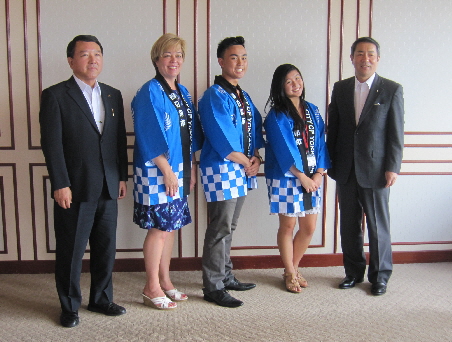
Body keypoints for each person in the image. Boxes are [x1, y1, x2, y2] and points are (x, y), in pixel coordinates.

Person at [39, 35, 128, 328]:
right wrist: (60, 183)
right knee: (71, 250)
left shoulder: (113, 94)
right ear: (71, 60)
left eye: (98, 54)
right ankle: (69, 306)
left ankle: (101, 298)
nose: (93, 60)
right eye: (85, 54)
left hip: (108, 185)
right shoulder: (55, 95)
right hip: (74, 188)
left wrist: (122, 177)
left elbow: (117, 141)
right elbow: (51, 144)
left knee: (106, 248)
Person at [327, 37, 404, 296]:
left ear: (378, 58)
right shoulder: (340, 88)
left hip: (377, 170)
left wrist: (393, 166)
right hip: (346, 169)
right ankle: (353, 272)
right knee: (348, 225)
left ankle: (380, 276)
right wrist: (330, 163)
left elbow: (396, 132)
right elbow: (334, 130)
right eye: (360, 53)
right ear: (352, 58)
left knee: (377, 225)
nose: (365, 58)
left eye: (371, 54)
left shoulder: (391, 89)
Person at [131, 33, 202, 310]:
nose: (175, 60)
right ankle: (151, 287)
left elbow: (189, 135)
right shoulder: (149, 91)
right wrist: (168, 172)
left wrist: (190, 169)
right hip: (156, 170)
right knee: (160, 229)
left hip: (180, 168)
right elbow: (148, 134)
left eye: (179, 55)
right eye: (168, 55)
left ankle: (165, 280)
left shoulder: (182, 93)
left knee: (171, 228)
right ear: (157, 59)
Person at [198, 36, 264, 307]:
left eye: (244, 57)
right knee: (220, 226)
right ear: (221, 61)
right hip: (221, 169)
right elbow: (220, 136)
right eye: (234, 57)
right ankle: (213, 286)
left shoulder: (243, 95)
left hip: (241, 169)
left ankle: (225, 275)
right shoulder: (214, 94)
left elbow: (255, 131)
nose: (240, 62)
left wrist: (256, 158)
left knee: (230, 225)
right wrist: (245, 161)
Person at [264, 64, 331, 293]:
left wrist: (320, 173)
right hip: (287, 177)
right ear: (281, 87)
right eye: (289, 81)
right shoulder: (276, 115)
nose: (296, 84)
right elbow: (282, 148)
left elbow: (321, 143)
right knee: (288, 224)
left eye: (298, 79)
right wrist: (301, 176)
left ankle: (293, 266)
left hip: (313, 177)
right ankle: (290, 272)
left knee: (309, 227)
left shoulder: (312, 110)